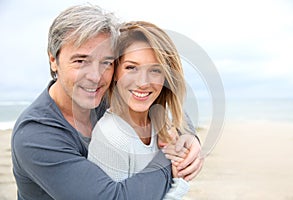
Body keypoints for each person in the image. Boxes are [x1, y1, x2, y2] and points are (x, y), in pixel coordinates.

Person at [11, 4, 203, 200]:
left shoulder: (105, 93)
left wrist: (188, 136)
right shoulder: (35, 135)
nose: (95, 76)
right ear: (53, 59)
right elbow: (111, 197)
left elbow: (162, 103)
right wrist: (170, 159)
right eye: (80, 61)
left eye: (106, 62)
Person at [88, 21, 193, 199]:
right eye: (131, 68)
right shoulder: (113, 137)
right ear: (116, 72)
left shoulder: (162, 121)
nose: (143, 82)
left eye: (155, 70)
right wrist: (180, 183)